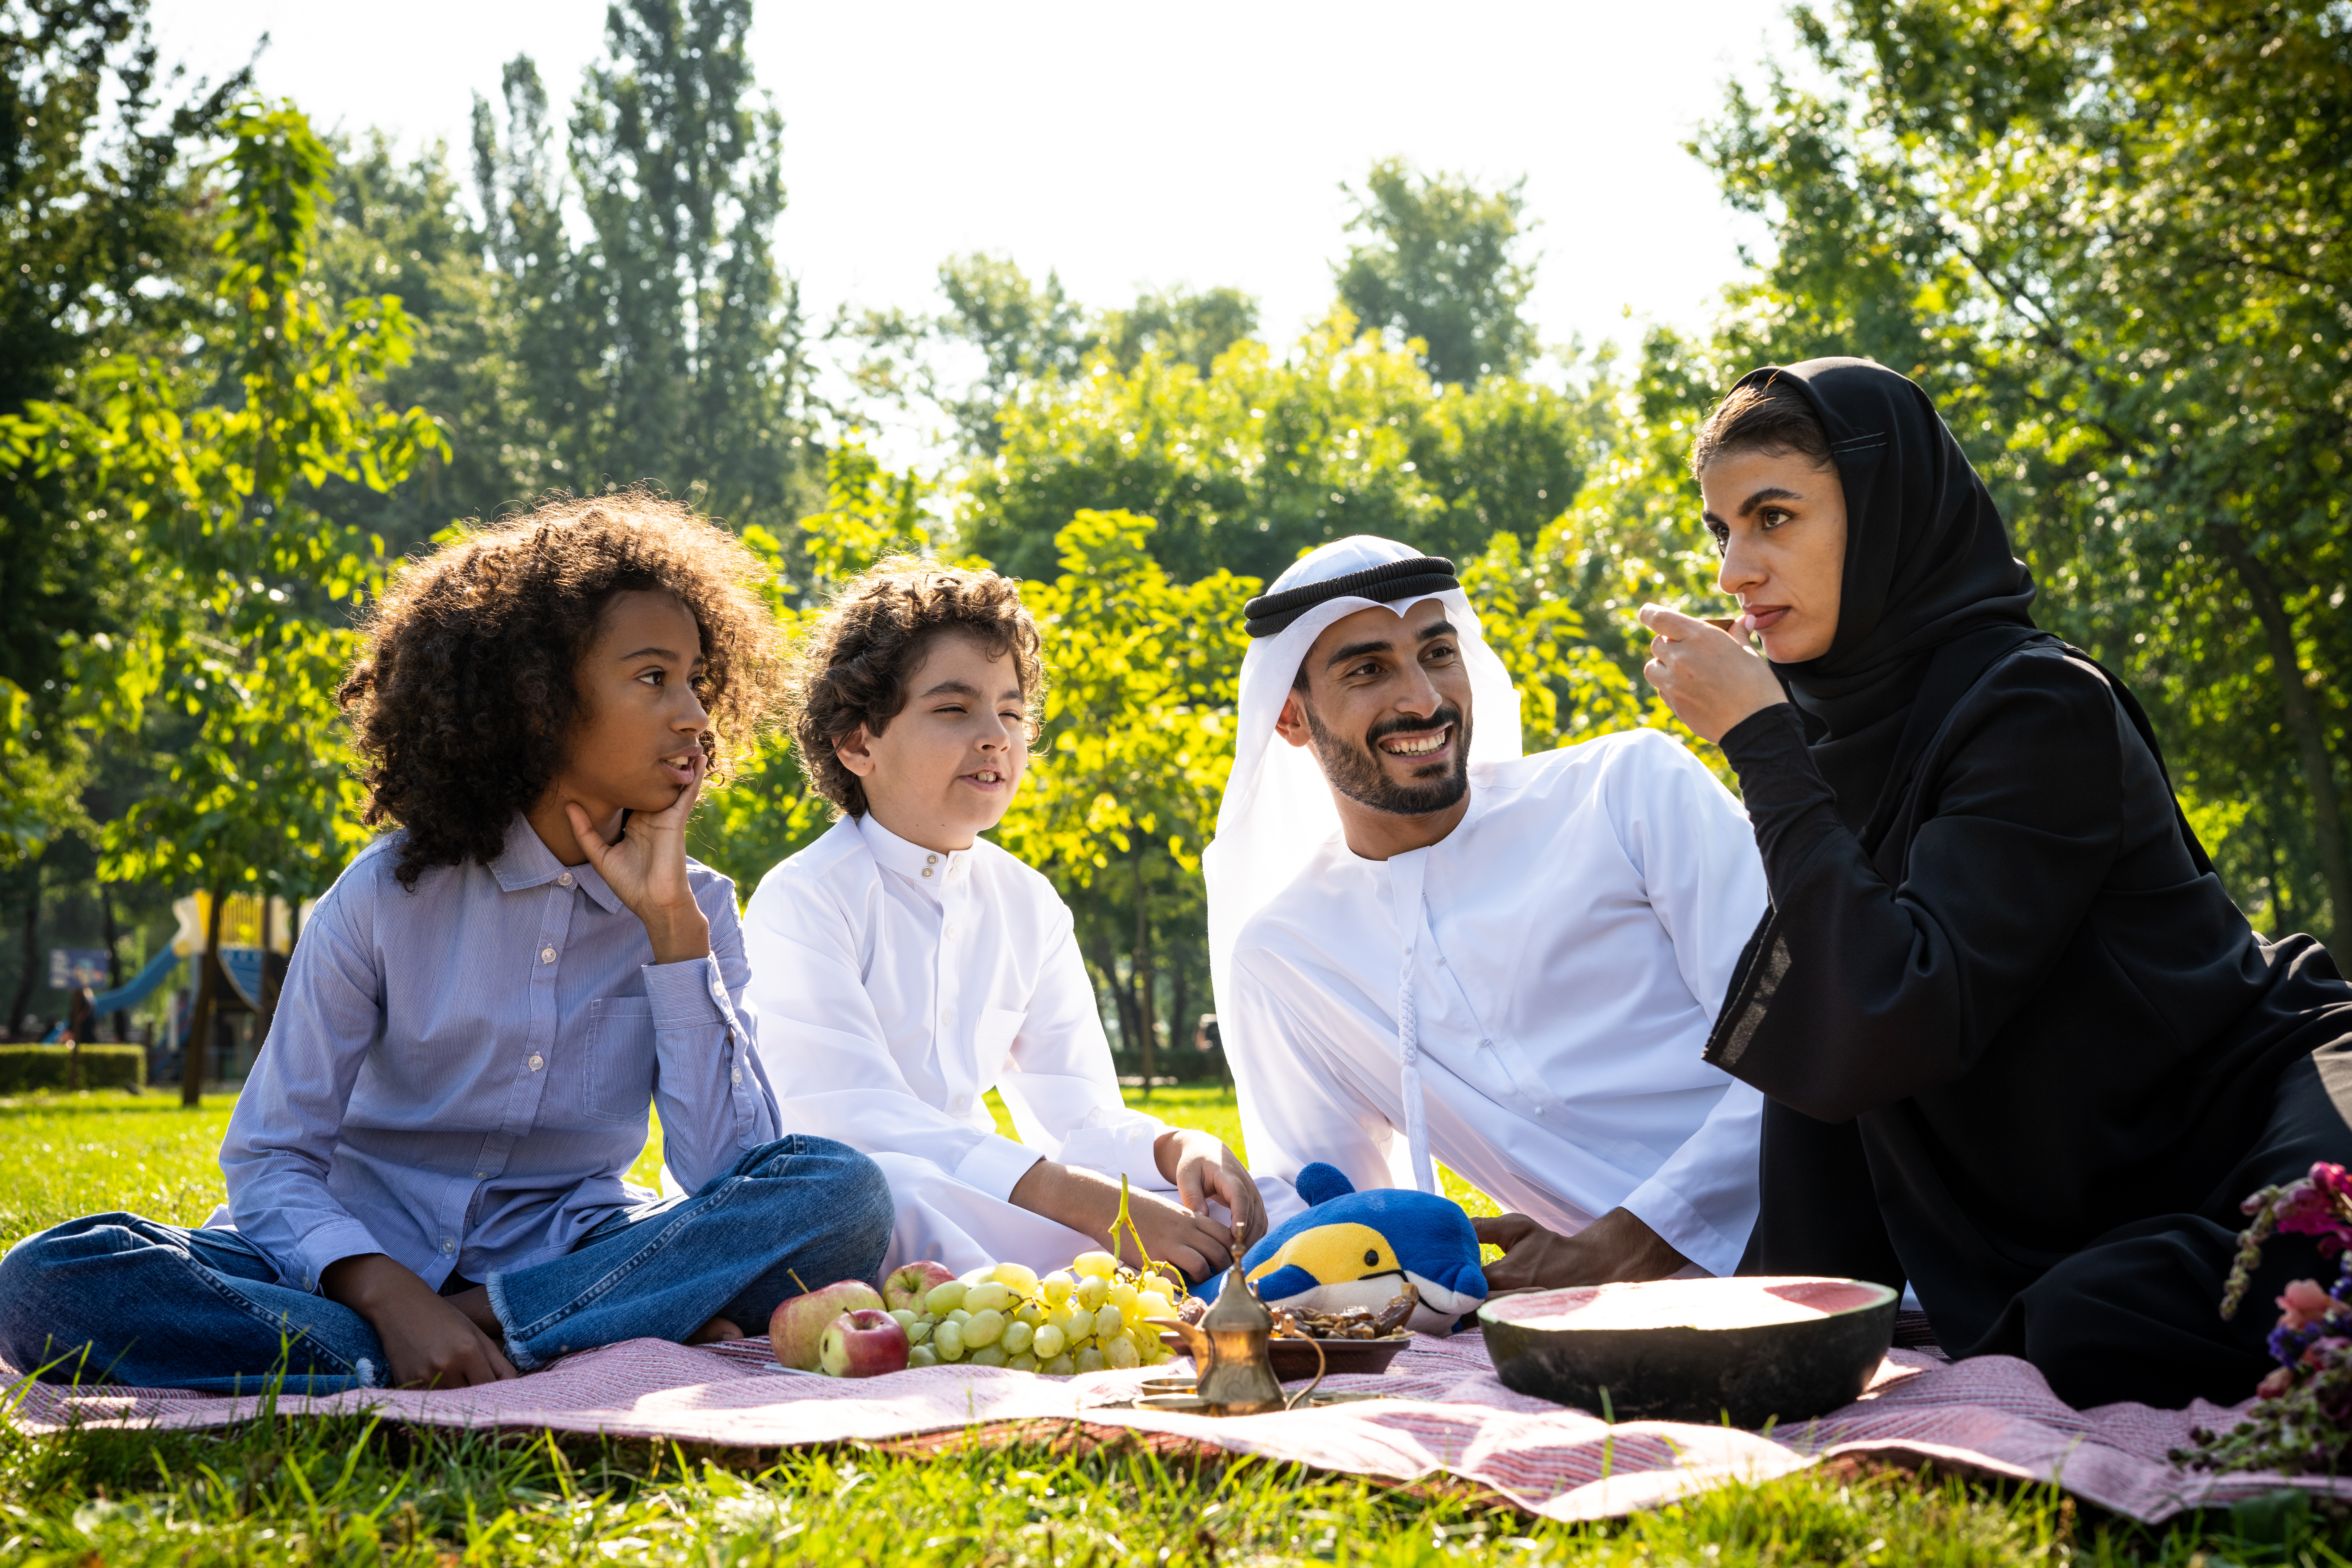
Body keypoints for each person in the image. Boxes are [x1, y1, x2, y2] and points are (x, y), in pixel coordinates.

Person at [0, 494, 894, 1394]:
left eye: (698, 679)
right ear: (539, 700)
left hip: (572, 1252)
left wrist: (671, 937)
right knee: (52, 1278)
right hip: (355, 1258)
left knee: (839, 1193)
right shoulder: (388, 893)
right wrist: (390, 1295)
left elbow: (730, 1178)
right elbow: (272, 1159)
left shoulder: (694, 910)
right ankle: (530, 1335)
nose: (696, 715)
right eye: (654, 677)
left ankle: (462, 1334)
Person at [1637, 358, 2352, 1408]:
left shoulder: (2035, 707)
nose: (1734, 570)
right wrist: (1781, 1335)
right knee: (2067, 1316)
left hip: (2265, 1108)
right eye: (1719, 529)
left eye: (1773, 516)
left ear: (1886, 513)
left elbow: (1899, 997)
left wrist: (1762, 747)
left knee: (2223, 1300)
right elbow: (1836, 1034)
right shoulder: (1831, 737)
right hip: (2109, 1194)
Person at [1205, 535, 1769, 1288]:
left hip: (1865, 1254)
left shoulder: (1627, 791)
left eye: (1437, 653)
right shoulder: (1283, 957)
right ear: (1289, 718)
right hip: (1600, 1327)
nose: (1423, 699)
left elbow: (1802, 1038)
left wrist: (1633, 1241)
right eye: (1368, 669)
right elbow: (1331, 1216)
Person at [742, 560, 1263, 1282]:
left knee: (1236, 1190)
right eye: (954, 709)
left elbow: (1077, 1117)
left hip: (991, 1191)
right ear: (858, 743)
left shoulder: (1028, 902)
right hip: (853, 1203)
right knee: (892, 1192)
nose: (996, 737)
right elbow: (849, 1121)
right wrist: (1080, 1200)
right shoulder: (803, 898)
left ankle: (1158, 1269)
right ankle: (1121, 1281)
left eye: (1013, 713)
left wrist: (1176, 1149)